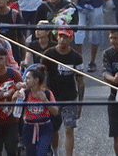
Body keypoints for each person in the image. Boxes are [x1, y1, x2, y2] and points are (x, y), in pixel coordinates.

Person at [44, 28, 86, 156]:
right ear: (57, 37)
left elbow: (80, 81)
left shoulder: (76, 57)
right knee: (53, 129)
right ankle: (55, 152)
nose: (63, 39)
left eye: (66, 37)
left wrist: (80, 103)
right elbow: (44, 79)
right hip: (53, 98)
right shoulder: (48, 54)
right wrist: (47, 98)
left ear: (71, 39)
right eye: (60, 36)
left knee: (69, 129)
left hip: (70, 98)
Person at [22, 66, 61, 156]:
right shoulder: (24, 93)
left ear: (36, 80)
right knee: (31, 153)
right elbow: (15, 111)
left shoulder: (47, 93)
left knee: (41, 153)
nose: (25, 80)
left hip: (45, 127)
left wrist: (45, 101)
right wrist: (14, 98)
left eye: (28, 78)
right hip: (29, 127)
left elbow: (55, 112)